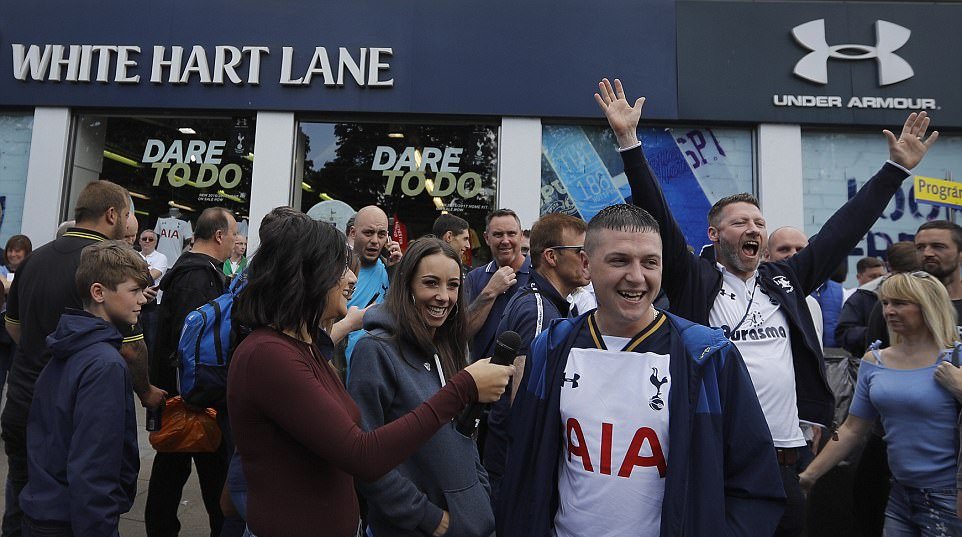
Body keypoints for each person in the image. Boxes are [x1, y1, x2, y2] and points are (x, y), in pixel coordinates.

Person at [595, 77, 938, 536]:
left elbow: (842, 230)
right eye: (740, 222)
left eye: (759, 221)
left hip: (782, 456)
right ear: (715, 235)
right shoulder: (694, 276)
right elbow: (654, 209)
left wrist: (895, 170)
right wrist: (628, 142)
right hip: (713, 456)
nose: (754, 227)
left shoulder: (785, 280)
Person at [497, 204, 784, 537]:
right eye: (619, 260)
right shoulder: (552, 348)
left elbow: (754, 484)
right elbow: (524, 466)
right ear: (587, 265)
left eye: (650, 262)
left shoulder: (706, 357)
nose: (636, 277)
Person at [227, 213, 513, 537]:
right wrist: (463, 389)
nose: (351, 279)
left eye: (453, 286)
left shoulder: (303, 349)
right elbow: (362, 454)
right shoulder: (268, 355)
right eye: (341, 268)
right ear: (307, 276)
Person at [1, 181, 163, 537]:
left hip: (26, 402)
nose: (138, 299)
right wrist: (145, 390)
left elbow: (15, 328)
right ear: (111, 215)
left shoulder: (35, 259)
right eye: (126, 214)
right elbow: (132, 348)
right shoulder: (112, 265)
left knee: (25, 499)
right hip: (79, 408)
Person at [349, 238, 496, 537]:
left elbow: (463, 437)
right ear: (407, 286)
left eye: (453, 286)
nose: (443, 296)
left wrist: (477, 492)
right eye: (431, 283)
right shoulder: (374, 351)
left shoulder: (447, 347)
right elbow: (364, 459)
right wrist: (429, 518)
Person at [800, 272, 962, 536]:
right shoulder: (875, 362)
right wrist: (811, 474)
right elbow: (852, 428)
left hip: (948, 495)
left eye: (900, 303)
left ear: (927, 306)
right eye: (885, 303)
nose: (889, 311)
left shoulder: (955, 358)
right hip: (899, 492)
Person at [19, 241, 150, 537]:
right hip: (70, 520)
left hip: (42, 510)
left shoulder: (67, 345)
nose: (143, 299)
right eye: (134, 291)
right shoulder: (106, 365)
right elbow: (94, 468)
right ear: (99, 292)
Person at [482, 213, 588, 501]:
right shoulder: (538, 310)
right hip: (515, 466)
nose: (587, 260)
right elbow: (523, 400)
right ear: (551, 257)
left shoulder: (543, 303)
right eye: (580, 252)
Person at [146, 207, 237, 537]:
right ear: (218, 236)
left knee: (173, 468)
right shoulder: (197, 278)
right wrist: (201, 394)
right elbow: (193, 346)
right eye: (233, 234)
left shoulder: (197, 272)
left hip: (187, 396)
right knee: (209, 476)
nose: (236, 241)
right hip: (192, 399)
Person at [866, 221, 962, 348]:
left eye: (938, 246)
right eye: (920, 247)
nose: (927, 253)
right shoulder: (892, 303)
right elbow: (875, 360)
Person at [466, 208, 531, 361]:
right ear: (487, 238)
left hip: (527, 377)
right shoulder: (475, 277)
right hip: (484, 377)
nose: (505, 240)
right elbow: (464, 331)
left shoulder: (540, 275)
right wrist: (490, 291)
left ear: (521, 236)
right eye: (498, 234)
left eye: (511, 233)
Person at [343, 206, 402, 367]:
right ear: (353, 233)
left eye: (381, 234)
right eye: (368, 233)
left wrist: (396, 271)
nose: (375, 241)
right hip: (341, 368)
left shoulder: (390, 269)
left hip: (382, 365)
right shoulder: (335, 272)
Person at [0, 235, 31, 403]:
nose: (13, 254)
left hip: (20, 329)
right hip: (2, 328)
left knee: (15, 374)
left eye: (17, 250)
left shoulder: (30, 270)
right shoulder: (2, 269)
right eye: (10, 250)